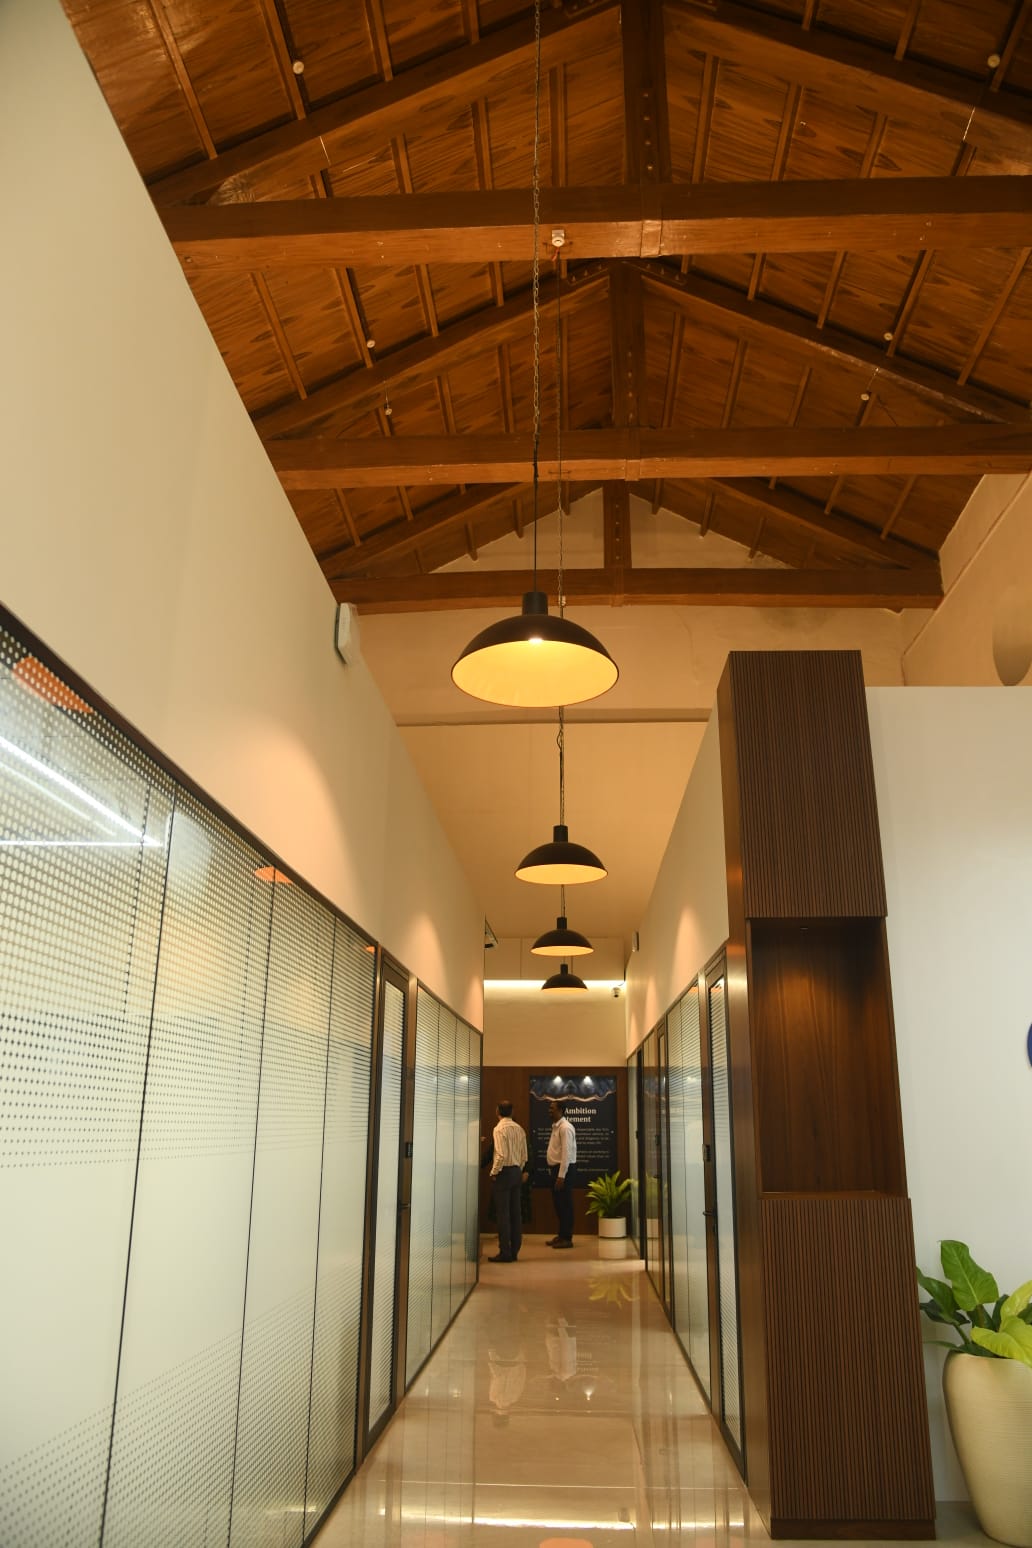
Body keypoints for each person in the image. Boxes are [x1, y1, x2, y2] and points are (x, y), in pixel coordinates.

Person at [488, 1100, 528, 1262]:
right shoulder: (519, 1129)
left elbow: (500, 1155)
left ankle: (505, 1252)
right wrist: (518, 1169)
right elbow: (524, 1156)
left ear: (497, 1111)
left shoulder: (499, 1129)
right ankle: (515, 1251)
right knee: (516, 1213)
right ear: (512, 1112)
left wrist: (494, 1172)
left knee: (503, 1214)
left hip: (503, 1173)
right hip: (516, 1171)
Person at [546, 1098, 577, 1248]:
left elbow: (566, 1153)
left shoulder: (565, 1128)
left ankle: (567, 1238)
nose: (549, 1111)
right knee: (559, 1205)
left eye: (552, 1108)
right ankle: (562, 1235)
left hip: (563, 1171)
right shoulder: (556, 1127)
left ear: (560, 1110)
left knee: (565, 1205)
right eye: (549, 1108)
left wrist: (561, 1176)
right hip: (557, 1170)